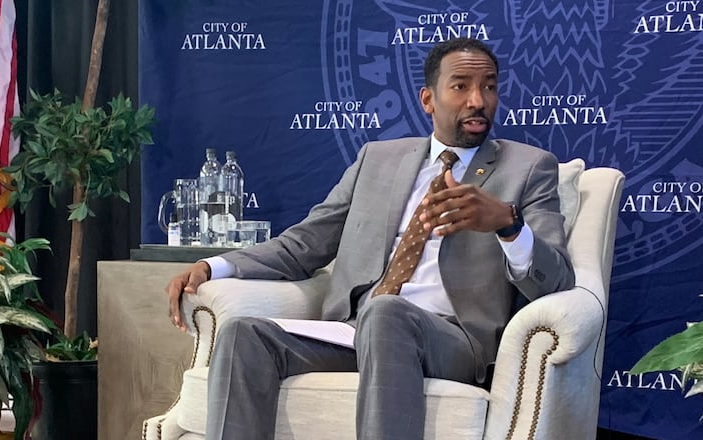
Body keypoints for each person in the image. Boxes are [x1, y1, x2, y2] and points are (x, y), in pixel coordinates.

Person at [165, 37, 575, 440]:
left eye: (489, 86)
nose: (478, 100)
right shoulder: (377, 159)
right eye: (461, 86)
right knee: (243, 335)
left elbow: (555, 278)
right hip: (353, 332)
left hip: (452, 339)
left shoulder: (528, 168)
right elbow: (305, 243)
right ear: (428, 99)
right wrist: (213, 265)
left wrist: (507, 223)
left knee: (386, 312)